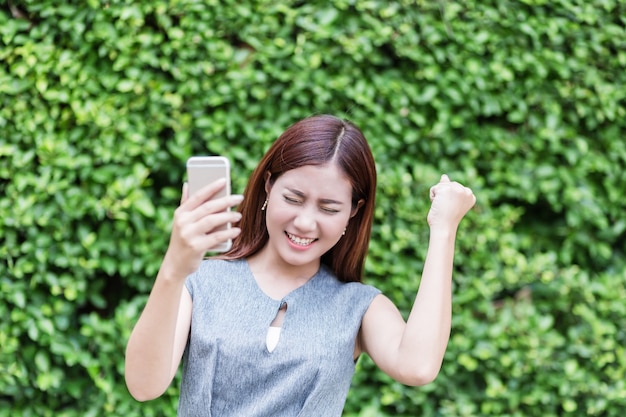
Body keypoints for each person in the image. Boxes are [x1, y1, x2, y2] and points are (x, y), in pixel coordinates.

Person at [124, 114, 476, 416]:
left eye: (328, 208)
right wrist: (174, 267)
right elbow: (143, 385)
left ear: (353, 212)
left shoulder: (358, 306)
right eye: (293, 198)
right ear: (268, 186)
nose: (305, 223)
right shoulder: (200, 281)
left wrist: (443, 230)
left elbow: (417, 366)